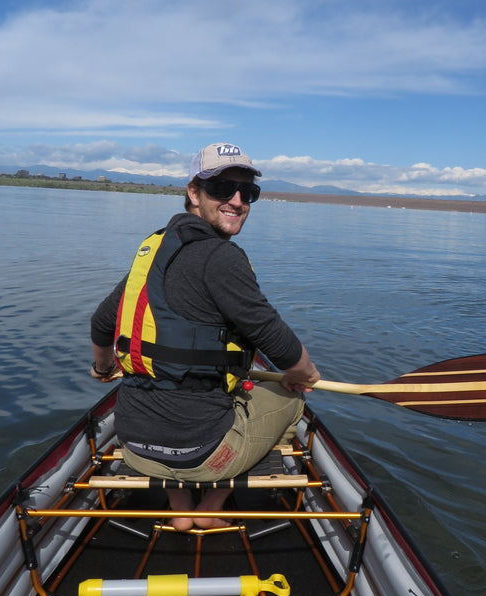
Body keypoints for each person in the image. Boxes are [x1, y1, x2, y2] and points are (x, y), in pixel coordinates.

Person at [90, 142, 319, 530]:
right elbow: (276, 342)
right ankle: (210, 506)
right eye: (221, 188)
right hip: (204, 455)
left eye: (248, 192)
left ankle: (180, 508)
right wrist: (306, 375)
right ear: (193, 193)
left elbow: (101, 323)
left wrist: (103, 367)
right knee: (293, 398)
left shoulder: (151, 251)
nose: (237, 201)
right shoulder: (222, 257)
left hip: (134, 448)